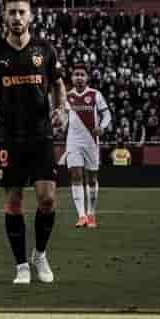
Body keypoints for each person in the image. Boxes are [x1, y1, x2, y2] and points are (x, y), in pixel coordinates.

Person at [0, 0, 68, 285]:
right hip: (9, 136)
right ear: (4, 17)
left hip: (41, 134)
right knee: (14, 200)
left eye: (22, 12)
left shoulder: (45, 50)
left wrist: (61, 109)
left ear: (31, 16)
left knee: (47, 199)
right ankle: (21, 265)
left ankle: (40, 254)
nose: (17, 17)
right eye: (12, 12)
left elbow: (58, 85)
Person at [65, 63, 111, 228]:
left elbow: (107, 114)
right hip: (73, 142)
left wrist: (102, 127)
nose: (79, 77)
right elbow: (63, 117)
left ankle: (91, 214)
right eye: (76, 74)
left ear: (87, 78)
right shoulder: (67, 96)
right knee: (76, 175)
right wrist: (58, 122)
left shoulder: (95, 95)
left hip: (91, 141)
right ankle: (81, 215)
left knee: (92, 178)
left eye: (82, 74)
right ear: (72, 77)